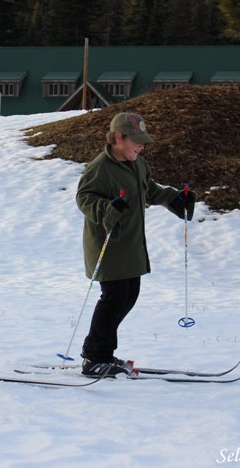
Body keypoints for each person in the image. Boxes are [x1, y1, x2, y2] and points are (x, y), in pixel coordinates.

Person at [75, 112, 196, 376]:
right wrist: (108, 208)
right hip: (109, 244)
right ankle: (95, 356)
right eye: (136, 141)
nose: (141, 147)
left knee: (129, 295)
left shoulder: (138, 164)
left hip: (131, 244)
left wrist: (175, 199)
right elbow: (84, 198)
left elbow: (148, 189)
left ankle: (101, 351)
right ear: (118, 138)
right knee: (114, 297)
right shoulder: (100, 167)